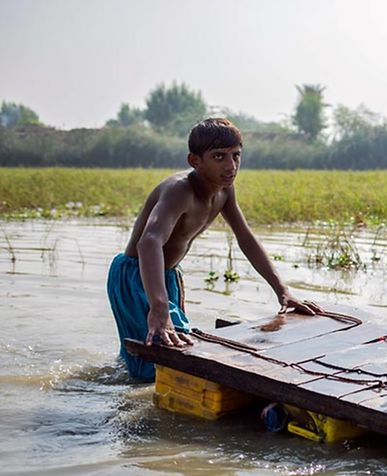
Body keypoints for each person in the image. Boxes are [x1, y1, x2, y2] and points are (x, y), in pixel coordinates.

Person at [108, 117, 321, 381]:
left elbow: (246, 238)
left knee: (165, 351)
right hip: (136, 275)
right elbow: (149, 242)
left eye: (236, 156)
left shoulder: (224, 191)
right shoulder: (179, 190)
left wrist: (283, 291)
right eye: (219, 156)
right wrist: (159, 304)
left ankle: (121, 379)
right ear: (195, 161)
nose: (231, 166)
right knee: (158, 358)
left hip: (167, 275)